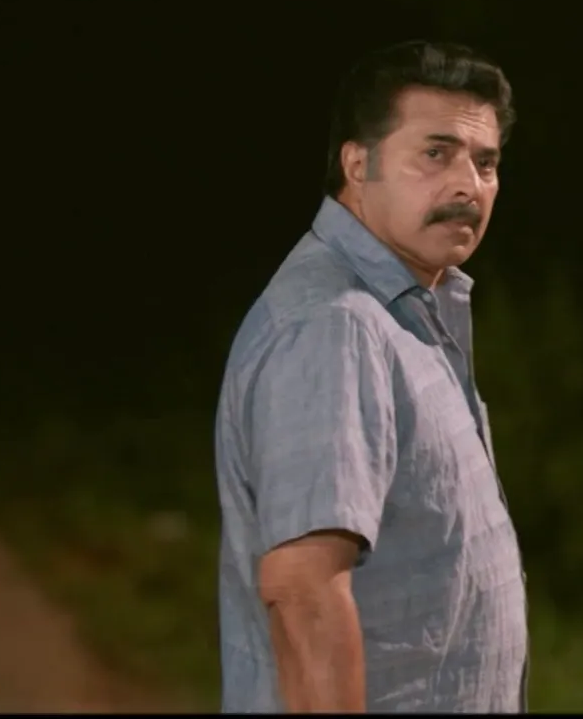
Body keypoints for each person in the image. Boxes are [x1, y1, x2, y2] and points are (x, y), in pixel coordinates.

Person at [214, 40, 528, 713]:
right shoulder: (335, 326)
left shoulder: (405, 314)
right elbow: (303, 590)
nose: (468, 186)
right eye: (435, 153)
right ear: (358, 165)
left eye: (485, 162)